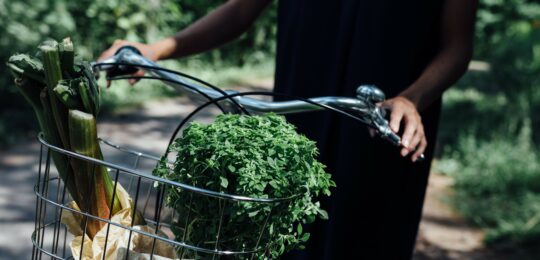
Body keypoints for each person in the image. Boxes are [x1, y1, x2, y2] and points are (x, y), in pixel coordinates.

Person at [99, 0, 478, 258]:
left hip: (381, 133)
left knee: (365, 242)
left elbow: (457, 45)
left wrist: (412, 98)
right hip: (295, 133)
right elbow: (240, 10)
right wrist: (155, 50)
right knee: (281, 240)